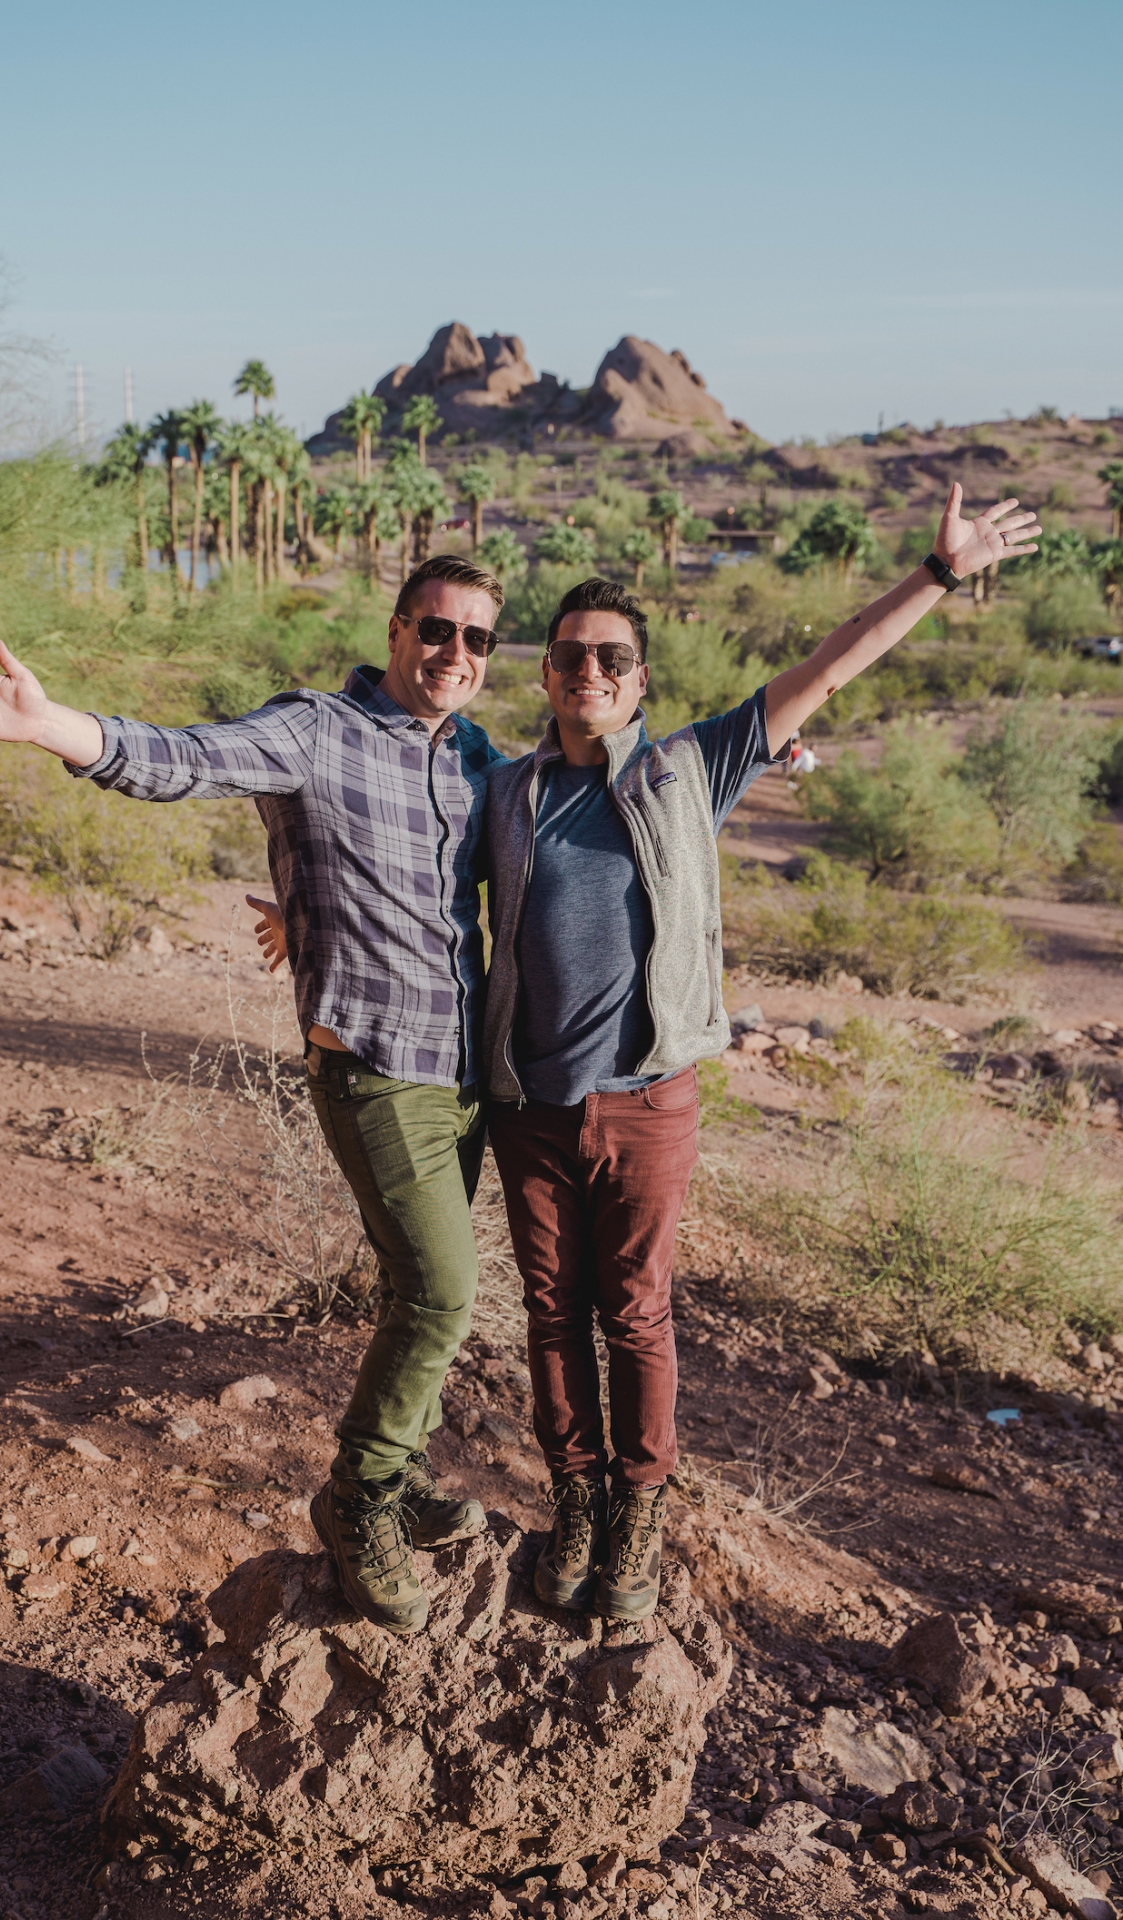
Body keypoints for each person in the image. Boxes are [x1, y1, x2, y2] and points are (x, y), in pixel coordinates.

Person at [0, 552, 510, 1638]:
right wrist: (52, 727)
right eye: (435, 629)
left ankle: (403, 1467)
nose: (452, 655)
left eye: (475, 639)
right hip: (373, 1062)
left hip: (459, 1065)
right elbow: (181, 759)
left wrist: (306, 906)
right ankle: (357, 1496)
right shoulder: (316, 730)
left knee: (411, 1285)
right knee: (440, 1293)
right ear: (394, 629)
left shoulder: (471, 756)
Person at [482, 487, 1039, 1623]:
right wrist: (303, 914)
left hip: (645, 1102)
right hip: (529, 1105)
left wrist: (935, 575)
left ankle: (637, 1514)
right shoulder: (507, 791)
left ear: (638, 681)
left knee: (631, 1311)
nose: (587, 670)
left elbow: (828, 667)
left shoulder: (688, 769)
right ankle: (575, 1501)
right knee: (550, 1312)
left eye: (610, 657)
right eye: (568, 657)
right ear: (544, 678)